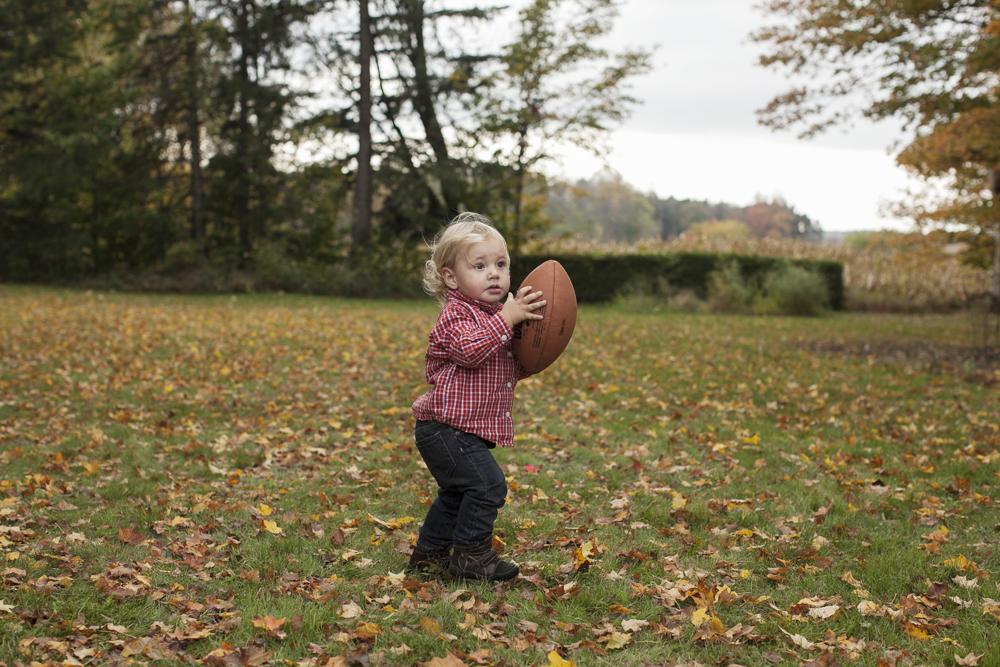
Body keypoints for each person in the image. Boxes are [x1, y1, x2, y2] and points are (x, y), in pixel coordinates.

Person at [407, 213, 546, 582]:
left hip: (460, 430)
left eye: (501, 264)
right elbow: (470, 352)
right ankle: (471, 557)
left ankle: (428, 555)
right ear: (451, 278)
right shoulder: (458, 315)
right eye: (480, 265)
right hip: (444, 429)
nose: (494, 273)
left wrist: (534, 355)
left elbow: (503, 368)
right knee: (487, 486)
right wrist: (508, 319)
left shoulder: (496, 317)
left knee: (457, 494)